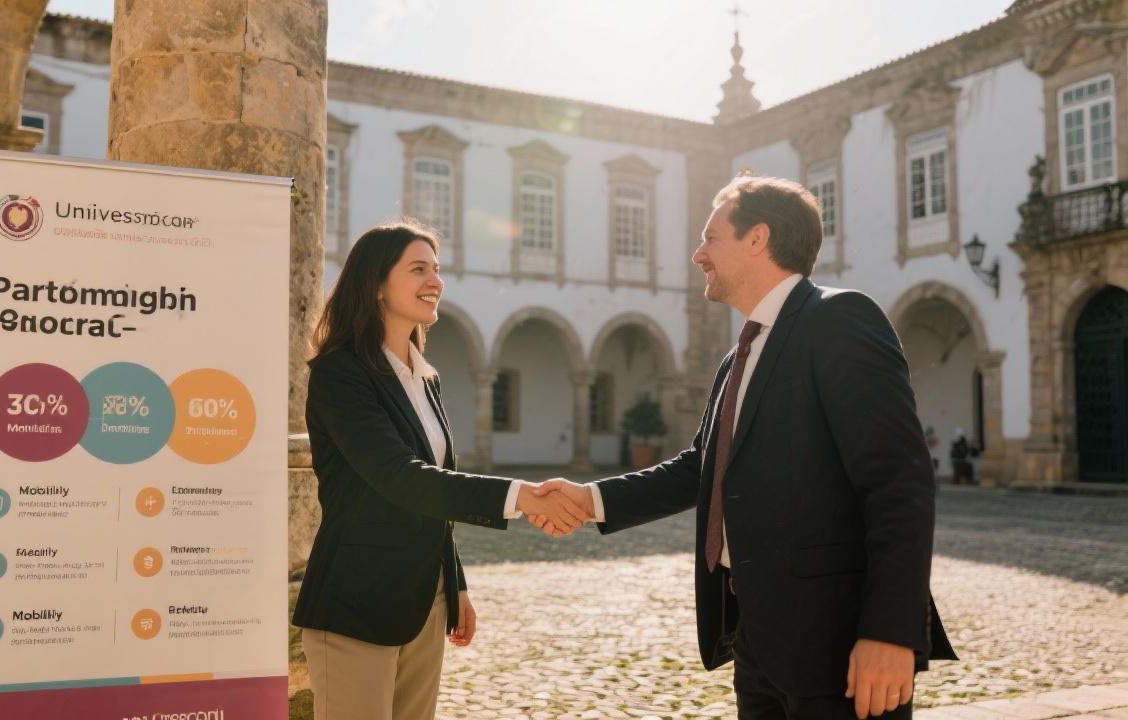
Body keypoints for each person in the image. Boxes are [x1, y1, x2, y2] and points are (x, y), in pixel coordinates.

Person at [531, 177, 955, 719]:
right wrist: (589, 500)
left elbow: (899, 481)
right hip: (757, 637)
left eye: (710, 237)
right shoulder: (739, 357)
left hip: (839, 642)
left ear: (758, 238)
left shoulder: (838, 319)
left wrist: (891, 634)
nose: (697, 254)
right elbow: (700, 469)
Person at [292, 222, 586, 720]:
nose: (435, 280)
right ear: (377, 284)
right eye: (418, 269)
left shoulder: (425, 379)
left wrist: (455, 583)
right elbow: (400, 477)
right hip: (357, 602)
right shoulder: (340, 373)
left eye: (437, 269)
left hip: (425, 602)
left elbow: (435, 491)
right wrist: (521, 496)